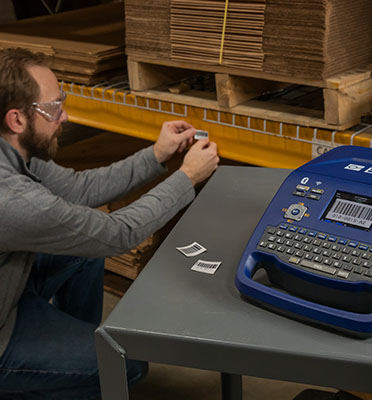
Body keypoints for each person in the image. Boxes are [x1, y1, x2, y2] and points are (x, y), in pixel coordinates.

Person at [0, 47, 219, 399]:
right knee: (123, 366)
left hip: (11, 285)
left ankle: (78, 352)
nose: (65, 117)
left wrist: (156, 154)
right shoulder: (12, 199)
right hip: (3, 334)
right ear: (17, 119)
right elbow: (117, 234)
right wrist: (187, 177)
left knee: (82, 253)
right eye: (54, 108)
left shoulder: (13, 147)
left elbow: (78, 188)